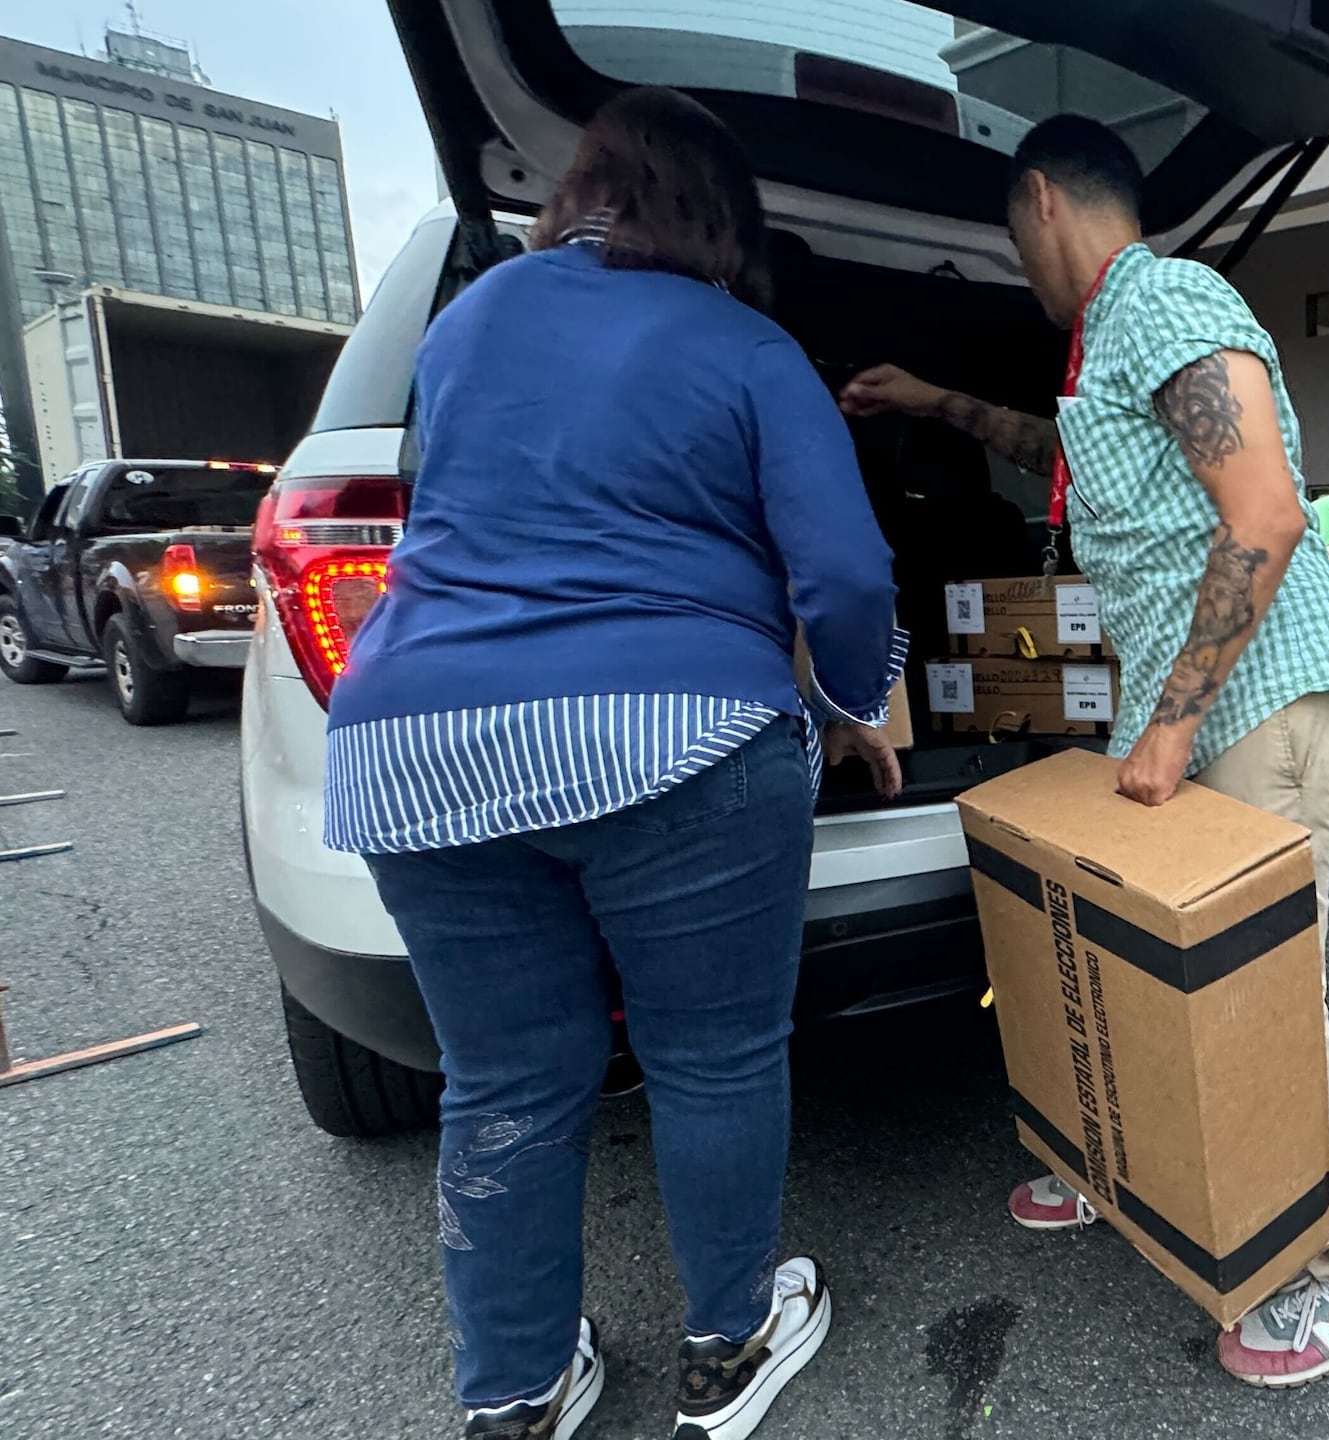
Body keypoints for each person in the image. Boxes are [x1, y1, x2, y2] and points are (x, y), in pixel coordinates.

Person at [321, 90, 904, 1440]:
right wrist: (857, 701)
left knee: (507, 1080)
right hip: (677, 736)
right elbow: (846, 570)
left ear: (580, 188)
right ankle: (730, 1340)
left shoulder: (466, 322)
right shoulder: (745, 342)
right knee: (711, 1056)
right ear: (723, 218)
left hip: (420, 748)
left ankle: (519, 1391)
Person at [839, 116, 1329, 1387]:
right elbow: (1075, 462)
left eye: (1011, 235)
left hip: (1250, 699)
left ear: (1043, 201)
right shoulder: (1108, 344)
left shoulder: (1163, 296)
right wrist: (934, 401)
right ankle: (1137, 1174)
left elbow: (1263, 512)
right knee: (1156, 968)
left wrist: (1166, 727)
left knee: (1269, 998)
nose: (1019, 261)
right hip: (1194, 705)